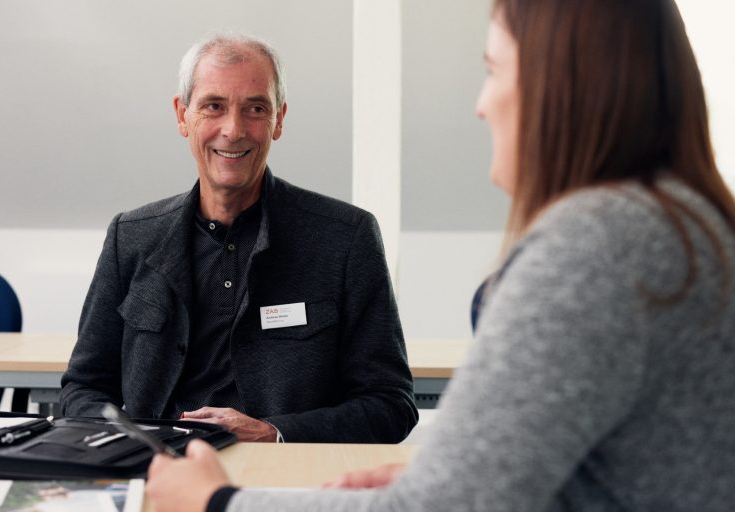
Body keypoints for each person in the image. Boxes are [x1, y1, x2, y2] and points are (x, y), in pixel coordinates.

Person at [145, 0, 735, 510]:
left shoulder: (592, 248)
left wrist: (215, 502)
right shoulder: (680, 225)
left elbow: (445, 506)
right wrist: (431, 479)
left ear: (561, 86)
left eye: (493, 70)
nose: (481, 104)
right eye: (213, 106)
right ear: (182, 115)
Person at [59, 34, 418, 444]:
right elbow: (82, 388)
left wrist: (274, 433)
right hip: (156, 469)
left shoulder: (346, 238)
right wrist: (135, 441)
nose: (233, 130)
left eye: (256, 109)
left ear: (279, 120)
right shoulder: (131, 236)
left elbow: (391, 404)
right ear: (182, 115)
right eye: (214, 106)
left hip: (282, 473)